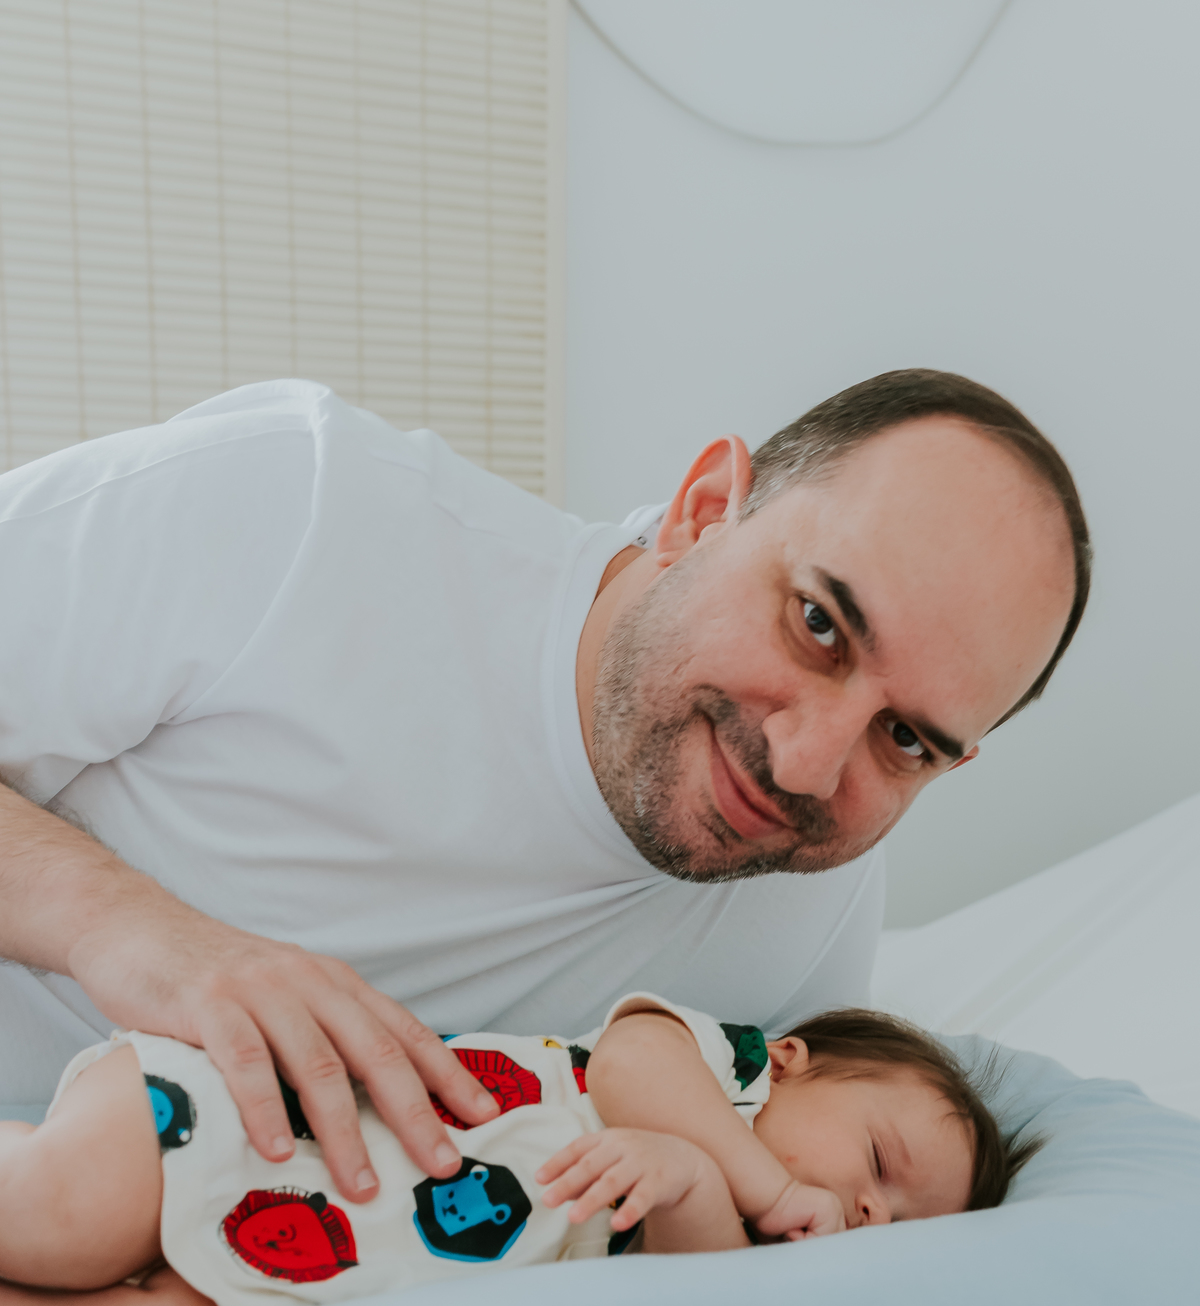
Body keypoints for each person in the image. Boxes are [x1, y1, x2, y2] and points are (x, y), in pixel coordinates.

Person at [0, 368, 1087, 1215]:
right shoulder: (297, 503)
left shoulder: (809, 930)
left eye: (904, 739)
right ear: (704, 509)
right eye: (817, 624)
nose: (806, 767)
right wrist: (122, 926)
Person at [0, 992, 1032, 1306]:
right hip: (248, 1126)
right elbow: (631, 1057)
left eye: (898, 1222)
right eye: (880, 1162)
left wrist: (701, 1187)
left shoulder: (739, 1259)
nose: (866, 1209)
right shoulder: (734, 1074)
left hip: (293, 1271)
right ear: (798, 1063)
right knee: (60, 1218)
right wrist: (749, 1173)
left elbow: (697, 1290)